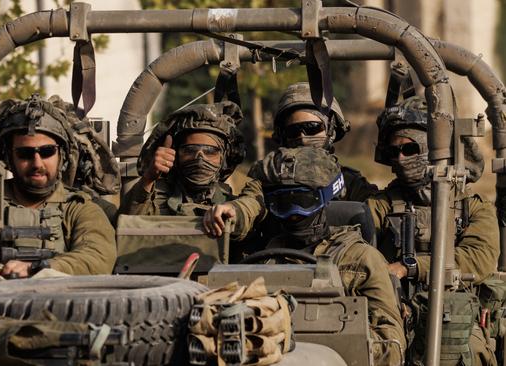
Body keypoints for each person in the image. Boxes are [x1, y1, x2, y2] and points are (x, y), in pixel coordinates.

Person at [204, 147, 406, 365]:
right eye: (283, 204)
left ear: (325, 199)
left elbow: (392, 346)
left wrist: (348, 337)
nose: (293, 214)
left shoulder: (362, 259)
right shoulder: (262, 261)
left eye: (303, 201)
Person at [0, 95, 117, 287]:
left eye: (47, 152)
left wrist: (38, 268)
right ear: (9, 158)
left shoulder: (78, 208)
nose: (37, 163)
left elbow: (97, 258)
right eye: (25, 154)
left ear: (61, 155)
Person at [367, 96, 498, 365]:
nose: (401, 159)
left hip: (456, 315)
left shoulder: (472, 208)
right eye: (394, 152)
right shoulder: (381, 204)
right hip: (392, 311)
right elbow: (356, 248)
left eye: (410, 149)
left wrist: (410, 267)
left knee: (465, 349)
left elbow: (479, 258)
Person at [118, 101, 262, 242]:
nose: (199, 159)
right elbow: (128, 225)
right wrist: (148, 178)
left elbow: (251, 206)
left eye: (210, 151)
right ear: (175, 155)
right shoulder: (155, 202)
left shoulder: (231, 204)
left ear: (223, 158)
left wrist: (232, 211)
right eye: (189, 150)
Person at [272, 82, 377, 201]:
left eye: (312, 127)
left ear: (331, 129)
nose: (302, 137)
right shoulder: (270, 179)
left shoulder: (350, 184)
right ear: (282, 135)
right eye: (292, 131)